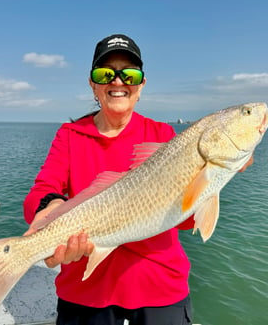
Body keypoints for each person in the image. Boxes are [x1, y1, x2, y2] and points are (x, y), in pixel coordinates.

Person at [23, 34, 253, 325]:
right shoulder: (70, 135)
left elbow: (184, 219)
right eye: (105, 74)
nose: (118, 82)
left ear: (141, 85)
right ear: (93, 84)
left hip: (160, 294)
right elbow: (42, 191)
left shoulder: (164, 137)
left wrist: (218, 175)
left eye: (129, 74)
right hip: (84, 294)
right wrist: (50, 210)